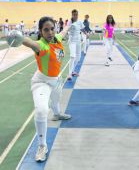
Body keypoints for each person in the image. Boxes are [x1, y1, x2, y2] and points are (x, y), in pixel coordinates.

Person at [6, 16, 71, 162]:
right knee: (42, 110)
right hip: (41, 81)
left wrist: (69, 25)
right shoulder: (41, 45)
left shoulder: (58, 39)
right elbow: (30, 43)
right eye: (46, 30)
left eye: (52, 29)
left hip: (55, 80)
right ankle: (42, 145)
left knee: (55, 103)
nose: (50, 32)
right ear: (41, 32)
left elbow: (64, 31)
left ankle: (58, 114)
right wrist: (19, 38)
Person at [67, 9, 85, 81]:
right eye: (74, 15)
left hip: (78, 42)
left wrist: (86, 33)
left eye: (76, 14)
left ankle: (73, 71)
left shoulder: (80, 21)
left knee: (78, 57)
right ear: (72, 15)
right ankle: (69, 74)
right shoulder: (69, 22)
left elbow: (82, 29)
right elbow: (66, 29)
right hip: (72, 42)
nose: (75, 16)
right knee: (72, 56)